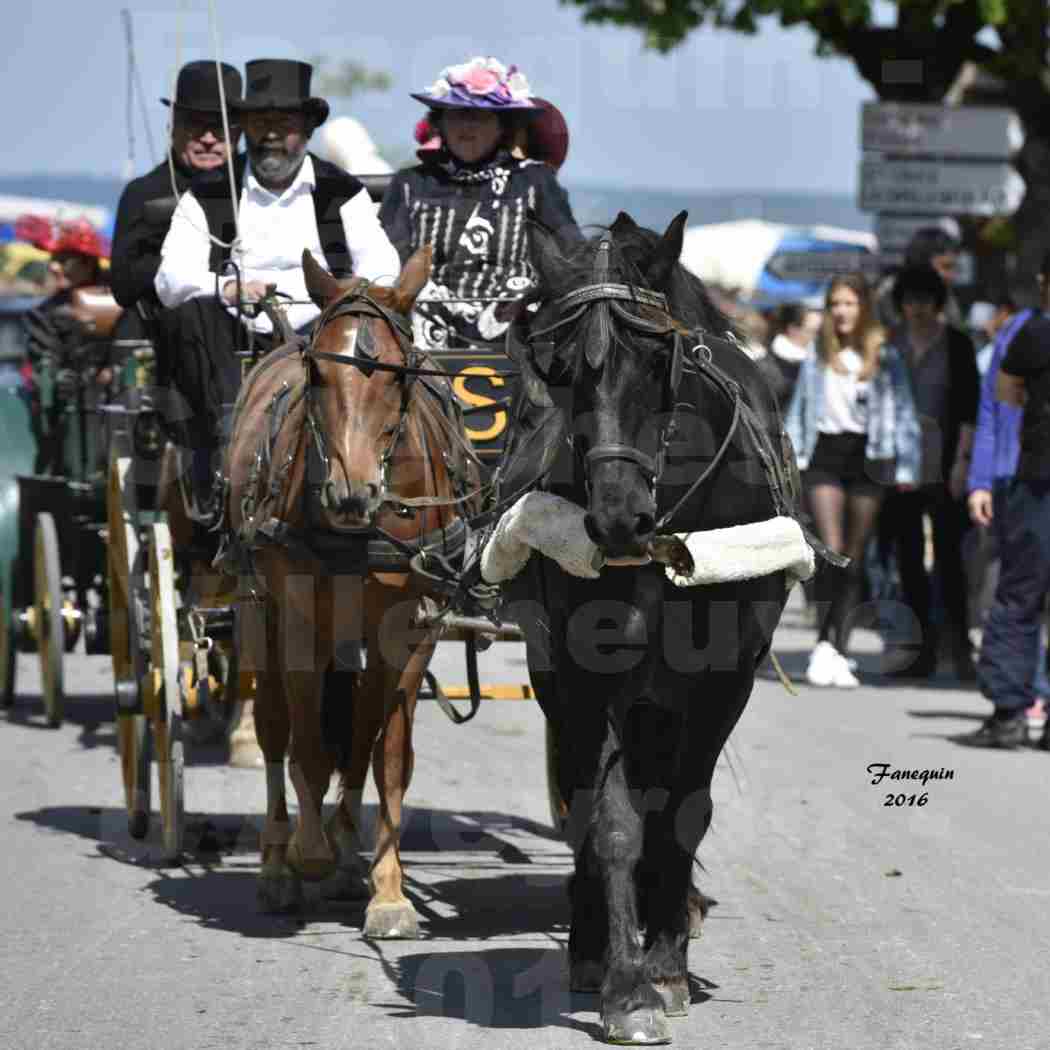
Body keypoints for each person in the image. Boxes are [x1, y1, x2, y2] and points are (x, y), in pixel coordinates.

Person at [154, 58, 400, 509]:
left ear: (306, 130)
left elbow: (385, 266)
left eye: (283, 123)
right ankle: (223, 457)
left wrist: (343, 291)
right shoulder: (207, 194)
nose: (270, 134)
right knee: (191, 311)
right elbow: (169, 279)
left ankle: (373, 467)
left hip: (323, 333)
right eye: (259, 122)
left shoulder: (342, 191)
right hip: (231, 338)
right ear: (244, 127)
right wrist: (226, 289)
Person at [379, 56, 581, 351]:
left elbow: (571, 255)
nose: (467, 126)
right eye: (457, 115)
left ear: (504, 126)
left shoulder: (536, 182)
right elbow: (387, 263)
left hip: (518, 339)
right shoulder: (411, 183)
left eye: (481, 117)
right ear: (440, 123)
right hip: (422, 338)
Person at [784, 273, 921, 688]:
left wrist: (908, 467)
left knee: (856, 558)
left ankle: (836, 647)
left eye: (849, 303)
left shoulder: (886, 354)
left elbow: (905, 411)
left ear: (863, 308)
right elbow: (797, 411)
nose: (841, 311)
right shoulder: (816, 355)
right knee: (832, 552)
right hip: (824, 455)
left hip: (869, 457)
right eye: (835, 304)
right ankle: (824, 644)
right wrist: (789, 457)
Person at [963, 255, 1050, 748]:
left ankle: (1009, 714)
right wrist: (984, 477)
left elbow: (1007, 396)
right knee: (1020, 594)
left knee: (1019, 596)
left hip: (1037, 483)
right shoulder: (1025, 332)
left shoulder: (1032, 333)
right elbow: (998, 407)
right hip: (1031, 481)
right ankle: (1011, 712)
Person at [879, 264, 980, 680]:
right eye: (909, 299)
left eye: (924, 299)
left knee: (951, 562)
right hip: (899, 468)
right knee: (908, 563)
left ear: (937, 302)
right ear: (900, 304)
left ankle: (960, 649)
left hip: (945, 466)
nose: (917, 307)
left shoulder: (957, 345)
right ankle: (920, 651)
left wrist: (962, 463)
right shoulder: (889, 344)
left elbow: (971, 410)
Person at [110, 61, 243, 315]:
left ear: (239, 133)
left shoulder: (254, 191)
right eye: (196, 125)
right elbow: (123, 286)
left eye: (219, 127)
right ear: (173, 127)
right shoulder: (143, 194)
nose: (207, 139)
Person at [21, 219, 109, 474]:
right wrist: (58, 379)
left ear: (87, 263)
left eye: (64, 259)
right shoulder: (44, 314)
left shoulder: (120, 301)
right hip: (69, 414)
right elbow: (44, 362)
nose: (54, 266)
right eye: (54, 259)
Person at [876, 225, 964, 330]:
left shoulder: (945, 295)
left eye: (953, 268)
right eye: (945, 267)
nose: (951, 275)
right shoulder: (890, 292)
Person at [755, 302, 820, 413]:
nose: (818, 338)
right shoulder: (765, 368)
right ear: (793, 329)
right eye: (814, 332)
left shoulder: (816, 363)